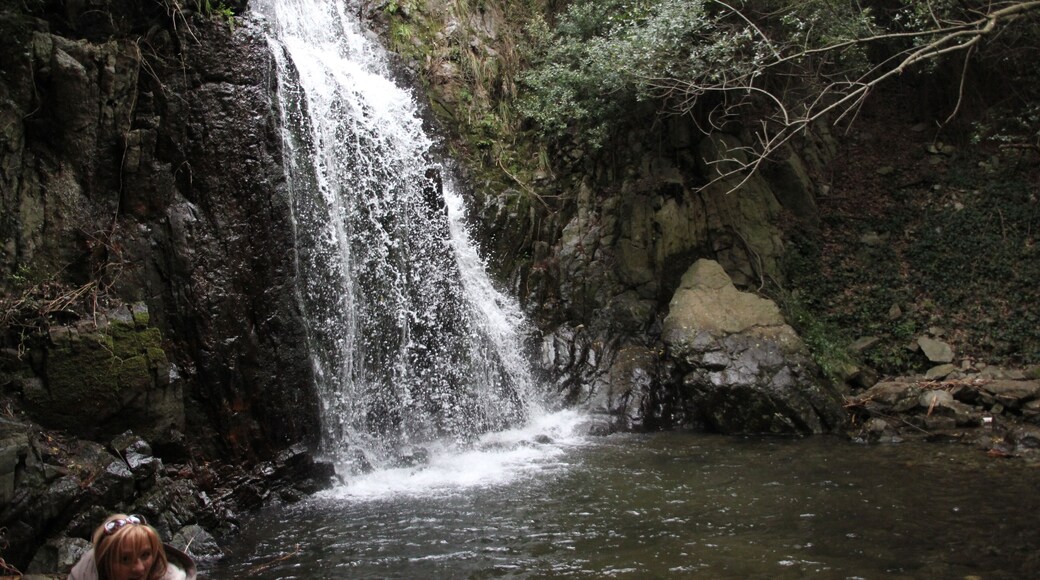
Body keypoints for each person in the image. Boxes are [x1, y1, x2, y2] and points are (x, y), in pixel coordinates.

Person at [68, 514, 197, 580]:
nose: (139, 568)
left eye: (145, 555)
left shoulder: (172, 577)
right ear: (105, 563)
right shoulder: (84, 574)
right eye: (125, 559)